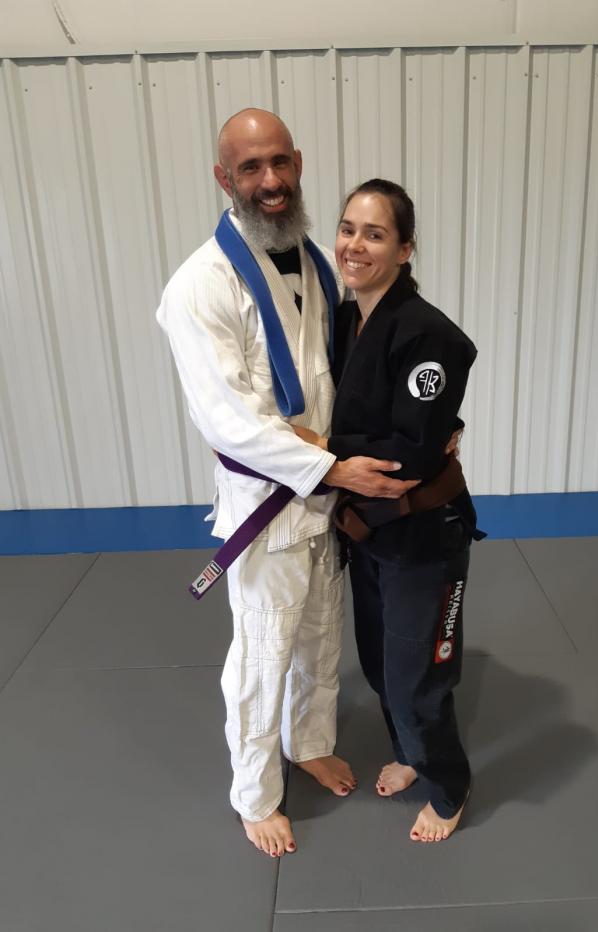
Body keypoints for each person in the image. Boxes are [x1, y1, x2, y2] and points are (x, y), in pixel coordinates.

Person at [156, 112, 417, 859]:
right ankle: (254, 794)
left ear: (298, 163)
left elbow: (349, 363)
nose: (269, 181)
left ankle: (309, 743)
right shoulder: (199, 286)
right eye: (250, 168)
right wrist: (329, 463)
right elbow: (229, 419)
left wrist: (425, 425)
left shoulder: (314, 257)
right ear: (224, 178)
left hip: (325, 495)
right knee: (263, 652)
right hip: (269, 504)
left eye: (279, 163)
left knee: (320, 633)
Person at [293, 179, 483, 843]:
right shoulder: (345, 321)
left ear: (405, 249)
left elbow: (408, 456)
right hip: (367, 530)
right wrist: (328, 454)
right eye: (348, 229)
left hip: (424, 534)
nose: (355, 244)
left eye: (374, 234)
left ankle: (449, 784)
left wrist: (315, 448)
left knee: (417, 676)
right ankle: (409, 750)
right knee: (378, 664)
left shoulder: (431, 337)